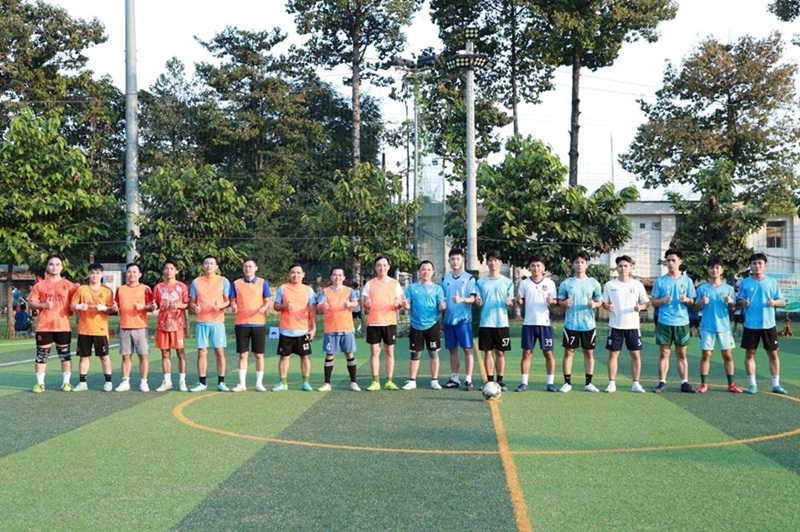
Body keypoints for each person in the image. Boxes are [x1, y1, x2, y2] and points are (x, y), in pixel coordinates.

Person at [736, 253, 787, 394]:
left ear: (765, 265)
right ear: (750, 266)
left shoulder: (772, 282)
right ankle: (752, 384)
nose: (757, 266)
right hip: (751, 324)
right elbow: (739, 300)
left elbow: (780, 300)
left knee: (773, 354)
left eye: (759, 263)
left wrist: (774, 303)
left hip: (768, 324)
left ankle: (776, 384)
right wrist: (743, 302)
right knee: (750, 354)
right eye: (754, 263)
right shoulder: (745, 282)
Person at [691, 257, 742, 393]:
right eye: (712, 268)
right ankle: (703, 384)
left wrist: (730, 302)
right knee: (706, 355)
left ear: (722, 270)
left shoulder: (729, 289)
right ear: (708, 270)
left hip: (724, 327)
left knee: (727, 355)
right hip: (707, 326)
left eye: (717, 267)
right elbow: (694, 308)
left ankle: (731, 384)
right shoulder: (702, 289)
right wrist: (701, 302)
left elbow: (733, 309)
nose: (715, 270)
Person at [29, 253, 78, 392]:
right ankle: (40, 384)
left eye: (57, 264)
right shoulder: (39, 285)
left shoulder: (69, 285)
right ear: (47, 267)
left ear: (62, 267)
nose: (54, 267)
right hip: (44, 326)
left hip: (63, 325)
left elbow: (75, 302)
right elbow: (31, 303)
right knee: (42, 355)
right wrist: (43, 305)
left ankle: (66, 383)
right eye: (51, 264)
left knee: (65, 355)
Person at [650, 249, 697, 393]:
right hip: (664, 322)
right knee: (664, 353)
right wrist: (662, 300)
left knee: (681, 354)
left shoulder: (687, 281)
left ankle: (684, 383)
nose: (670, 263)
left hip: (682, 323)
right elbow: (653, 302)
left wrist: (687, 299)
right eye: (668, 260)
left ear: (680, 262)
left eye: (673, 260)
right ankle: (662, 383)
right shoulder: (660, 281)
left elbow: (693, 302)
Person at [556, 251, 603, 393]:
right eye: (576, 262)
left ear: (587, 264)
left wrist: (594, 304)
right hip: (571, 324)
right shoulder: (566, 283)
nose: (579, 265)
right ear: (572, 265)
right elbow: (559, 301)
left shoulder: (593, 283)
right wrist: (565, 303)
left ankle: (589, 383)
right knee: (569, 352)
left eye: (582, 262)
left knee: (588, 353)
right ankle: (567, 383)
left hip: (588, 324)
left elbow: (600, 301)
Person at [601, 255, 650, 393]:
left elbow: (646, 303)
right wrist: (607, 306)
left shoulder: (637, 285)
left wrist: (640, 307)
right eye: (620, 266)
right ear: (616, 268)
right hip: (615, 325)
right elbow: (604, 303)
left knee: (635, 355)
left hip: (633, 326)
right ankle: (611, 383)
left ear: (631, 268)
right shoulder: (610, 285)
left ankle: (636, 383)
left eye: (626, 266)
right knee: (613, 354)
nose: (623, 268)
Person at [71, 263, 116, 391]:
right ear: (88, 275)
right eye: (92, 273)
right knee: (84, 356)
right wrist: (79, 306)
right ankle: (82, 382)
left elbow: (113, 309)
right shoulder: (81, 289)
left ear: (101, 274)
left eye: (97, 273)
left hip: (100, 329)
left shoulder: (107, 291)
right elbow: (72, 306)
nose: (94, 275)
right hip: (84, 329)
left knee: (104, 356)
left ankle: (108, 382)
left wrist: (104, 308)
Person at [402, 260, 446, 390]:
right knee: (415, 355)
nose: (426, 272)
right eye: (423, 269)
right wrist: (405, 305)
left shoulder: (437, 289)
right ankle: (412, 381)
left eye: (428, 269)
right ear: (419, 272)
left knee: (433, 354)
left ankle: (434, 381)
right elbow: (408, 304)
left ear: (433, 272)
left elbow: (441, 306)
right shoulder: (412, 288)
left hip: (432, 325)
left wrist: (442, 307)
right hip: (416, 325)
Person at [189, 255, 231, 392]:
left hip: (217, 322)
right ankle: (202, 383)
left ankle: (221, 382)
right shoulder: (196, 282)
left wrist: (221, 306)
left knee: (219, 351)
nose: (209, 266)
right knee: (202, 352)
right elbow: (192, 302)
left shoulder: (223, 281)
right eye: (206, 263)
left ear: (216, 266)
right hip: (202, 322)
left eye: (212, 263)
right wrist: (195, 307)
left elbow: (227, 300)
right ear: (203, 266)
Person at [272, 263, 316, 391]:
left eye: (298, 272)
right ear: (289, 274)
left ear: (303, 274)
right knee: (284, 357)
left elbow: (312, 310)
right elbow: (276, 306)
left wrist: (313, 328)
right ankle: (283, 383)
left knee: (305, 357)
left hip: (303, 330)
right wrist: (284, 306)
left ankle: (306, 382)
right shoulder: (282, 288)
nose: (295, 275)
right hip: (286, 330)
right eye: (293, 272)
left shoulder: (308, 290)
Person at [229, 258, 271, 392]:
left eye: (250, 266)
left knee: (259, 355)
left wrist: (264, 308)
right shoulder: (236, 283)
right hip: (242, 324)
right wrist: (234, 306)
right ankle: (242, 384)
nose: (248, 269)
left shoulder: (263, 283)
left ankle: (259, 383)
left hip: (258, 323)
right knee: (243, 355)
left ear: (256, 268)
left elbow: (267, 300)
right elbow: (232, 300)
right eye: (245, 266)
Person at [516, 255, 558, 392]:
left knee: (548, 353)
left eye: (538, 265)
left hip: (545, 324)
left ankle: (550, 383)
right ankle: (524, 383)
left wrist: (552, 301)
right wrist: (519, 301)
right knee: (527, 353)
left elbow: (555, 302)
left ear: (543, 267)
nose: (536, 268)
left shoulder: (550, 283)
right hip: (528, 324)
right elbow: (521, 301)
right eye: (533, 266)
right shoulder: (524, 283)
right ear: (529, 267)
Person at [474, 250, 514, 391]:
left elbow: (512, 301)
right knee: (488, 352)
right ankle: (489, 381)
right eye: (490, 260)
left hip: (501, 323)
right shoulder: (480, 283)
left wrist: (510, 303)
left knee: (500, 353)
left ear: (500, 262)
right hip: (486, 323)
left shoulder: (508, 282)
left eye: (495, 260)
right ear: (487, 263)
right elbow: (478, 300)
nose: (493, 263)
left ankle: (500, 381)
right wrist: (478, 302)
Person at [362, 256, 404, 391]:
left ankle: (389, 381)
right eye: (379, 265)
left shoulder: (395, 283)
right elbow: (365, 303)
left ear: (388, 267)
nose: (382, 268)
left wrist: (398, 304)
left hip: (389, 322)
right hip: (374, 322)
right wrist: (367, 304)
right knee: (375, 351)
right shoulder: (370, 284)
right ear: (375, 267)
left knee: (389, 352)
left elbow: (399, 302)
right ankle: (375, 381)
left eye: (384, 265)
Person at [316, 266, 360, 391]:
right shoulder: (325, 291)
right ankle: (327, 383)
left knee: (349, 354)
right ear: (331, 277)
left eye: (340, 275)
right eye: (335, 275)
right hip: (331, 328)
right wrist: (323, 306)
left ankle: (353, 382)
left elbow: (356, 302)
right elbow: (319, 305)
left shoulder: (349, 290)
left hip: (346, 327)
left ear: (344, 277)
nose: (337, 277)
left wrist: (349, 304)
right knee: (330, 355)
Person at [114, 262, 155, 392]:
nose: (131, 274)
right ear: (126, 274)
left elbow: (152, 307)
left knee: (143, 355)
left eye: (134, 272)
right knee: (126, 356)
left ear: (140, 274)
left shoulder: (145, 289)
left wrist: (143, 307)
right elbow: (115, 305)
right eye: (129, 272)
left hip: (140, 327)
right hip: (124, 326)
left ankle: (144, 382)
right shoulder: (120, 289)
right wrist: (113, 308)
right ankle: (125, 381)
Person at [440, 248, 477, 391]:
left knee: (467, 349)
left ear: (463, 260)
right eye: (452, 259)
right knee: (452, 349)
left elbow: (473, 299)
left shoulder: (469, 278)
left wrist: (462, 299)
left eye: (458, 259)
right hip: (449, 320)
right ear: (449, 261)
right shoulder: (445, 279)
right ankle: (455, 378)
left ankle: (468, 379)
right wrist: (442, 306)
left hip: (463, 321)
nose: (455, 261)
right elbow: (442, 299)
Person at [152, 260, 190, 392]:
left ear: (176, 271)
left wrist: (179, 305)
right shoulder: (158, 287)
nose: (169, 271)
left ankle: (182, 381)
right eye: (166, 268)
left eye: (172, 268)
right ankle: (167, 381)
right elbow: (155, 303)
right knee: (165, 353)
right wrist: (153, 306)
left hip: (177, 324)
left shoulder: (182, 287)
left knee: (180, 352)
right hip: (163, 324)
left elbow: (187, 304)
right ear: (163, 271)